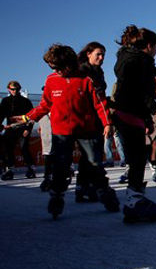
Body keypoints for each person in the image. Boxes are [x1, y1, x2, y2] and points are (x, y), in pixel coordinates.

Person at [14, 44, 119, 218]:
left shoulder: (86, 79)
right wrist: (27, 117)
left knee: (95, 165)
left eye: (58, 67)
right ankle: (56, 197)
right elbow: (45, 105)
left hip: (86, 129)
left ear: (69, 64)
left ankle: (105, 193)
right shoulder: (51, 80)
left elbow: (100, 103)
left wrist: (107, 123)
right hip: (61, 131)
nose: (57, 71)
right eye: (53, 68)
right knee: (60, 167)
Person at [111, 25, 156, 223]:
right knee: (138, 156)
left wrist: (147, 116)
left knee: (139, 155)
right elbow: (138, 90)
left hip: (130, 112)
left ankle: (135, 198)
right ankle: (133, 201)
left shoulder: (130, 59)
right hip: (129, 112)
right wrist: (152, 108)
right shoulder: (137, 62)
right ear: (149, 45)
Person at [74, 41, 109, 202]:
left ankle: (85, 186)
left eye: (103, 55)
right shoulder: (83, 71)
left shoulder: (98, 71)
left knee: (92, 155)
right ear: (88, 54)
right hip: (87, 119)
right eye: (98, 54)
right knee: (90, 156)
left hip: (97, 118)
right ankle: (86, 186)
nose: (101, 58)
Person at [0, 80, 36, 180]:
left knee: (24, 148)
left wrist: (28, 129)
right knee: (8, 149)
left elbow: (31, 117)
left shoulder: (26, 101)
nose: (15, 91)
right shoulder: (5, 101)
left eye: (17, 89)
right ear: (9, 89)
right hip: (10, 129)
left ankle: (31, 168)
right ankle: (10, 169)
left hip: (23, 128)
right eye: (12, 89)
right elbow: (1, 115)